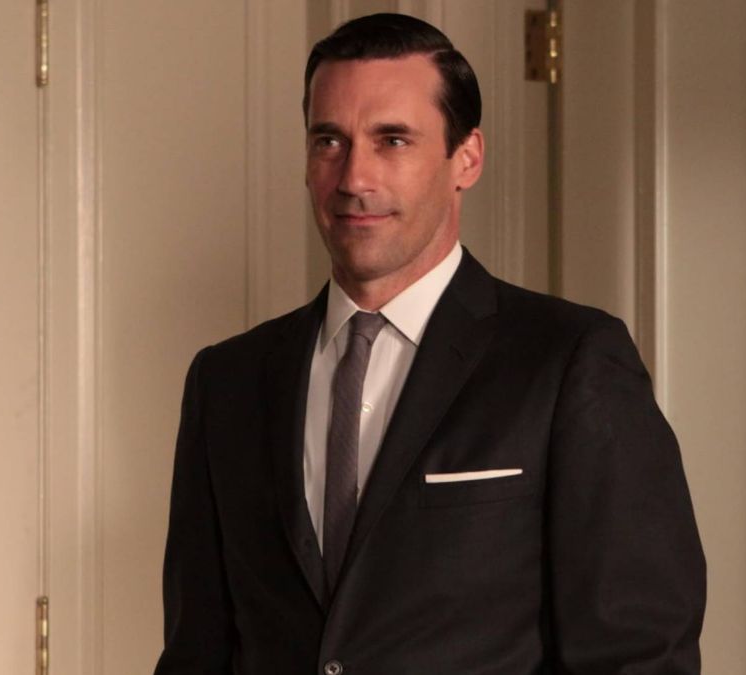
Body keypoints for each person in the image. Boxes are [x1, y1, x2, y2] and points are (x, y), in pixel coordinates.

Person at [154, 13, 704, 675]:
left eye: (392, 140)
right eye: (329, 140)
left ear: (466, 158)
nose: (353, 178)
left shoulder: (569, 361)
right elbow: (196, 653)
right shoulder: (227, 382)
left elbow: (640, 656)